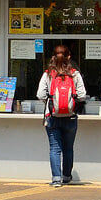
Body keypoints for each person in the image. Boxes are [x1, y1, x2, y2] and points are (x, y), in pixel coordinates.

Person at [37, 44, 87, 187]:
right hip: (70, 117)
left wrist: (51, 102)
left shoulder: (48, 74)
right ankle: (66, 176)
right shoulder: (75, 74)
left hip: (52, 117)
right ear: (69, 57)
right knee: (68, 148)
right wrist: (71, 102)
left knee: (55, 148)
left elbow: (40, 94)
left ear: (53, 56)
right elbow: (82, 95)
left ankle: (56, 179)